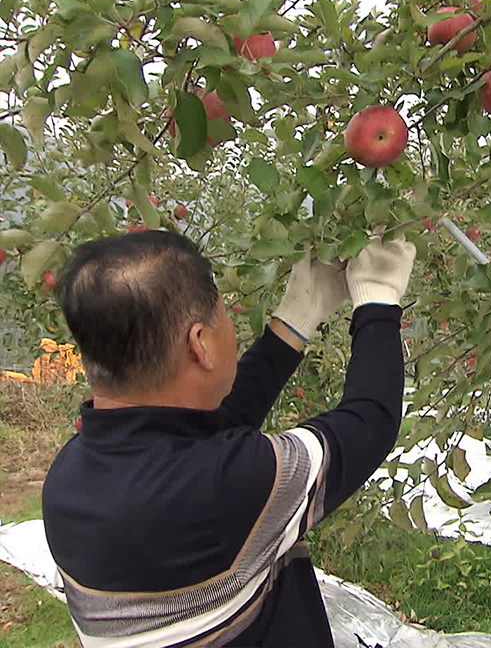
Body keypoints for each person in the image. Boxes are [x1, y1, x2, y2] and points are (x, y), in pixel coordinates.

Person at [41, 229, 416, 647]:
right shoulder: (225, 489)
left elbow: (215, 427)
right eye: (223, 318)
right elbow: (368, 424)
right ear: (200, 344)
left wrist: (295, 320)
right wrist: (378, 300)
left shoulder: (68, 478)